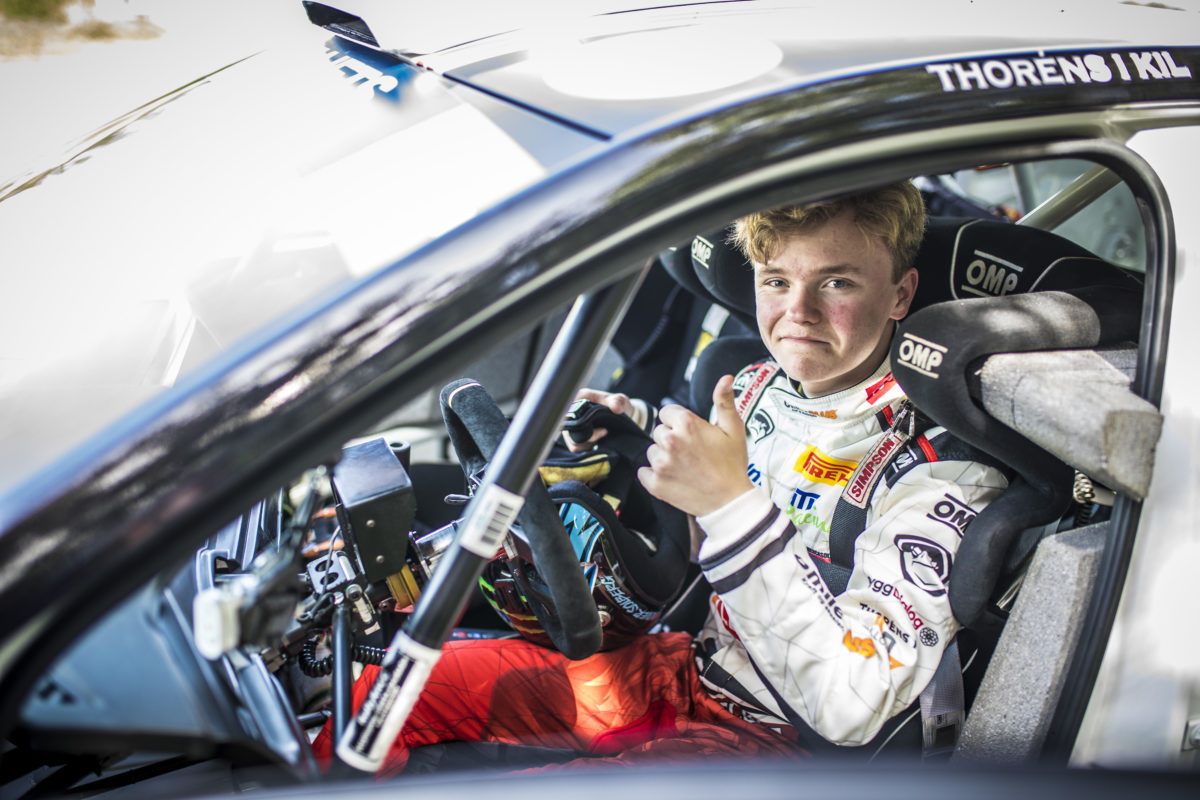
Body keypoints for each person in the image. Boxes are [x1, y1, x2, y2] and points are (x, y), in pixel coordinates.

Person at [313, 181, 1007, 772]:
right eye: (776, 281)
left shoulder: (942, 469)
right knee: (378, 696)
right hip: (673, 669)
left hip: (774, 745)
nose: (798, 313)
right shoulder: (758, 383)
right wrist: (631, 427)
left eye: (836, 282)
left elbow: (853, 700)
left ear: (899, 294)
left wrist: (730, 504)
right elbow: (709, 448)